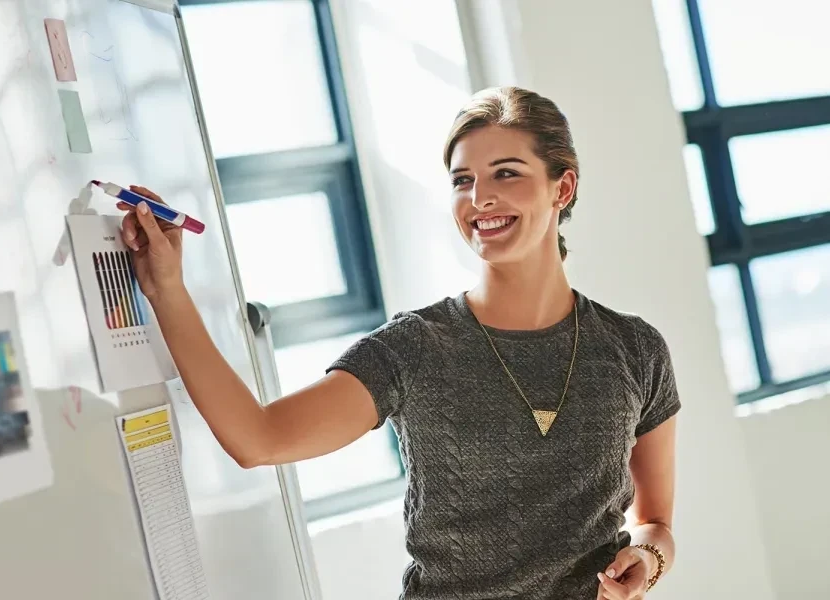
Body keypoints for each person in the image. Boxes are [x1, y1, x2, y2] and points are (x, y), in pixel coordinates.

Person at [119, 86, 680, 600]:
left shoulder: (634, 349)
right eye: (463, 180)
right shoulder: (414, 349)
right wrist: (166, 287)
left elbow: (656, 522)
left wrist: (647, 559)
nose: (480, 198)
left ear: (563, 186)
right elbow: (258, 439)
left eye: (506, 173)